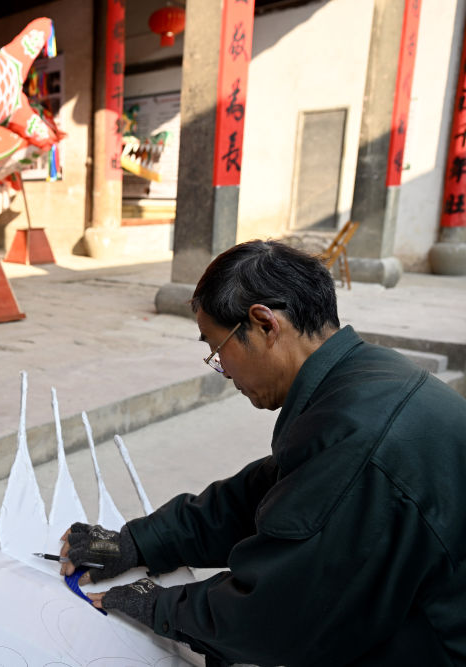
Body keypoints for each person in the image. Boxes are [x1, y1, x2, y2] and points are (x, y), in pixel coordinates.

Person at [59, 240, 466, 666]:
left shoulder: (358, 439)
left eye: (218, 351)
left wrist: (158, 606)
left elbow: (276, 611)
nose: (225, 371)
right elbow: (262, 497)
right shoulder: (365, 376)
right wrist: (139, 542)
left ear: (265, 325)